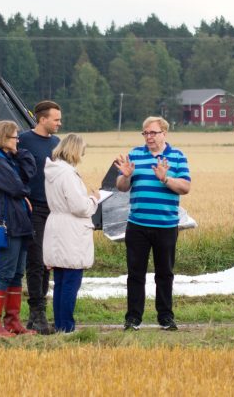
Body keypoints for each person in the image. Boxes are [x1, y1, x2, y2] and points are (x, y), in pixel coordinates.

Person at [115, 116, 191, 331]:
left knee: (165, 274)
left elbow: (185, 187)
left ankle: (165, 317)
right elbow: (121, 187)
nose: (149, 137)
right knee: (135, 273)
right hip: (137, 225)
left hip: (166, 225)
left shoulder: (177, 157)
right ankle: (133, 318)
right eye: (145, 133)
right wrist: (126, 176)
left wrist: (165, 178)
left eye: (153, 133)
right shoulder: (134, 155)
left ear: (164, 133)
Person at [0, 120, 37, 338]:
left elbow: (28, 175)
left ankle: (13, 322)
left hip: (20, 223)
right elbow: (17, 187)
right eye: (15, 138)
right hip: (7, 224)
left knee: (16, 274)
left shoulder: (9, 159)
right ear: (4, 138)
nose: (18, 141)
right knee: (4, 273)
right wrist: (24, 192)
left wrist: (19, 153)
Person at [43, 133, 99, 333]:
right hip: (71, 231)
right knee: (71, 282)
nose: (82, 156)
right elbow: (79, 207)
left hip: (56, 225)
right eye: (81, 151)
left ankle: (60, 325)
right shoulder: (68, 174)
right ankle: (67, 327)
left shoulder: (53, 171)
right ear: (75, 150)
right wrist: (94, 199)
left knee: (60, 281)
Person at [18, 100, 62, 334]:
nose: (59, 123)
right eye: (56, 119)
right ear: (42, 119)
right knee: (35, 260)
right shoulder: (23, 140)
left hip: (53, 209)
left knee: (47, 262)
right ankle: (37, 312)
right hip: (33, 207)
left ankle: (37, 317)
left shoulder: (56, 143)